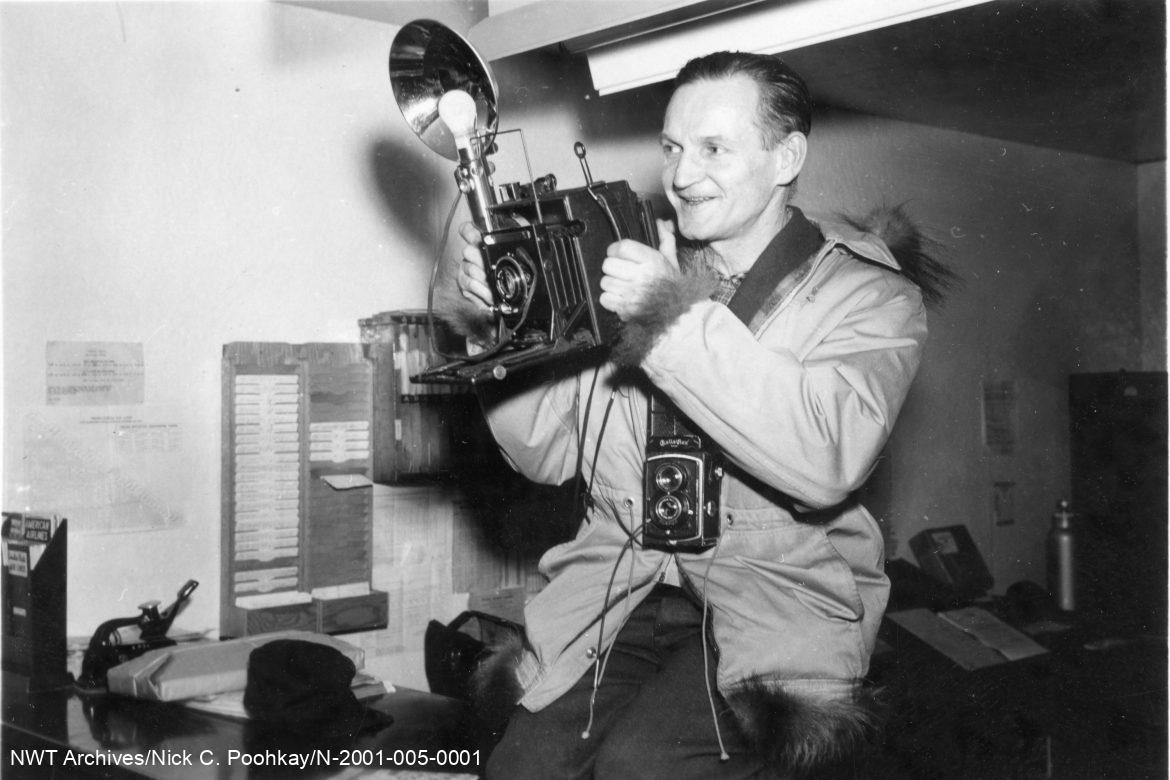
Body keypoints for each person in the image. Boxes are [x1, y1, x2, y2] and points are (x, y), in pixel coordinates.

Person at [440, 50, 948, 779]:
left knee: (641, 768)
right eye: (674, 148)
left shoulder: (870, 297)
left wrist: (667, 317)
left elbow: (826, 460)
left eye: (714, 149)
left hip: (774, 597)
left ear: (786, 156)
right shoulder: (627, 260)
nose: (681, 176)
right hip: (621, 590)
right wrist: (505, 328)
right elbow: (541, 453)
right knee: (519, 768)